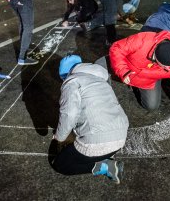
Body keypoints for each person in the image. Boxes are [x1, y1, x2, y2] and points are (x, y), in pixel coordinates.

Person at [52, 55, 129, 184]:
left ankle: (106, 167)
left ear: (66, 74)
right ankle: (104, 155)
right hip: (121, 137)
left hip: (97, 142)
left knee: (60, 164)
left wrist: (59, 137)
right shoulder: (100, 79)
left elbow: (69, 114)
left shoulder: (71, 82)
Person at [109, 31, 170, 128]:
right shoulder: (143, 40)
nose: (168, 69)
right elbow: (116, 48)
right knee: (99, 70)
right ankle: (108, 61)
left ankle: (138, 87)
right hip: (126, 69)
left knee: (152, 106)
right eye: (164, 66)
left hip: (147, 80)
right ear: (155, 55)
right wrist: (122, 70)